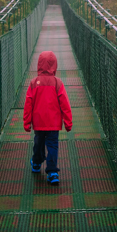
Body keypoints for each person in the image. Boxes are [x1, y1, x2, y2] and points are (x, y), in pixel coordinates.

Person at [23, 51, 73, 185]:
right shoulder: (57, 83)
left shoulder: (34, 83)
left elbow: (28, 103)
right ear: (54, 65)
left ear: (39, 64)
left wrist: (27, 122)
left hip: (38, 123)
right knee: (52, 146)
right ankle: (52, 172)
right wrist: (68, 122)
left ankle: (36, 163)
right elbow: (65, 104)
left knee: (38, 144)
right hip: (53, 123)